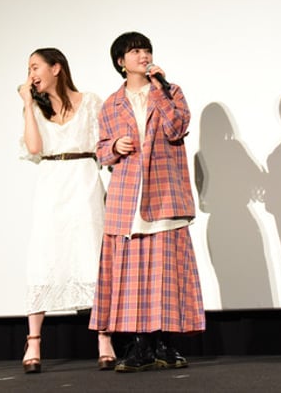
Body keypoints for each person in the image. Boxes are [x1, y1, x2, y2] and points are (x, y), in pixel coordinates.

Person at [88, 31, 205, 373]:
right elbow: (101, 151)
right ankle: (140, 345)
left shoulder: (170, 91)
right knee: (132, 275)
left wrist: (160, 88)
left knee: (165, 272)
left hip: (165, 193)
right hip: (128, 198)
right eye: (136, 51)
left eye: (147, 50)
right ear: (121, 62)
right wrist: (115, 146)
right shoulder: (112, 104)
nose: (144, 55)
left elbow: (176, 128)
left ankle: (165, 345)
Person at [17, 48, 115, 373]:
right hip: (51, 185)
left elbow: (104, 146)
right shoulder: (35, 108)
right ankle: (33, 342)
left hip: (84, 181)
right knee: (43, 256)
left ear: (56, 68)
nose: (31, 75)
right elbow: (34, 148)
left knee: (91, 253)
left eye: (35, 67)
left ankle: (104, 339)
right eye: (29, 69)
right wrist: (27, 104)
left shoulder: (90, 102)